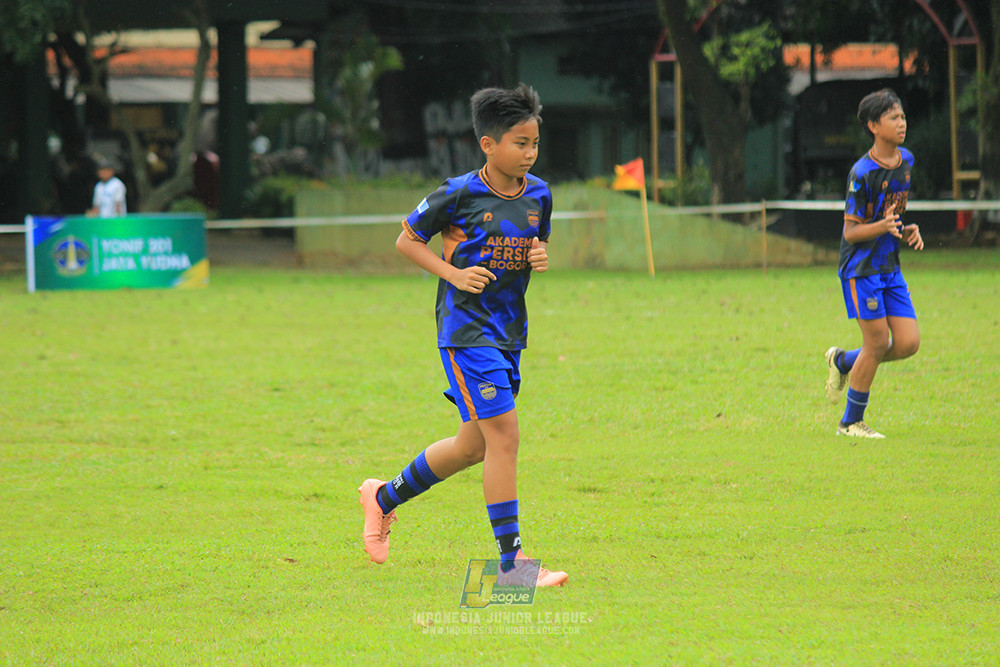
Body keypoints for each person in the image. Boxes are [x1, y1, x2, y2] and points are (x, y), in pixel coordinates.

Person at [358, 83, 567, 587]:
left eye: (534, 143)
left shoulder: (540, 194)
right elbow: (407, 240)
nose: (529, 153)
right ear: (488, 144)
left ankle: (381, 497)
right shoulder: (458, 192)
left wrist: (540, 258)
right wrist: (452, 274)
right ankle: (513, 567)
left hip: (509, 333)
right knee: (506, 436)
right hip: (466, 330)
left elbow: (533, 249)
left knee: (473, 446)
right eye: (520, 143)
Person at [824, 88, 924, 439]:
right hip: (860, 269)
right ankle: (850, 423)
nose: (901, 123)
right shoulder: (861, 173)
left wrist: (905, 228)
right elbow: (851, 233)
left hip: (889, 266)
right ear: (873, 126)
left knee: (909, 342)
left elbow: (893, 213)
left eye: (902, 117)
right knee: (878, 343)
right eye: (893, 118)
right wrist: (882, 227)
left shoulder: (906, 161)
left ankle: (845, 361)